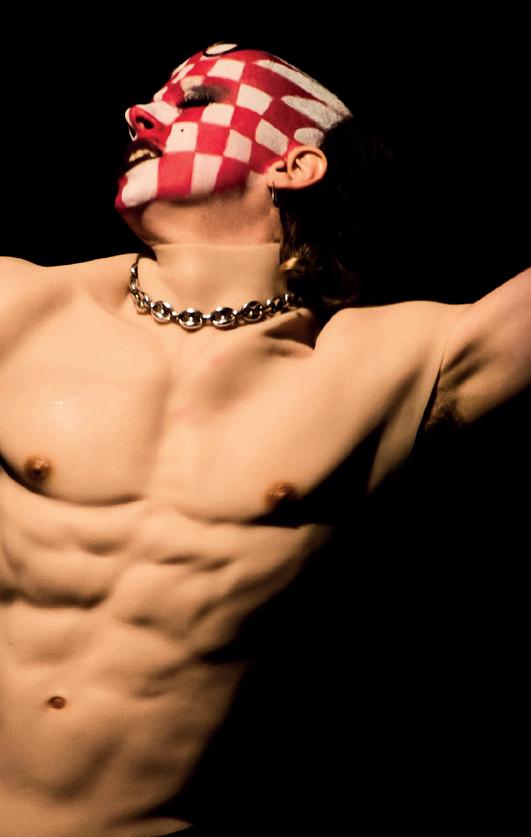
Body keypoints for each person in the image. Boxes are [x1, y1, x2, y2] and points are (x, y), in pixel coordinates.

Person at [0, 41, 529, 837]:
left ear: (295, 165)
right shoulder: (18, 306)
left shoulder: (389, 359)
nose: (140, 115)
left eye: (195, 101)